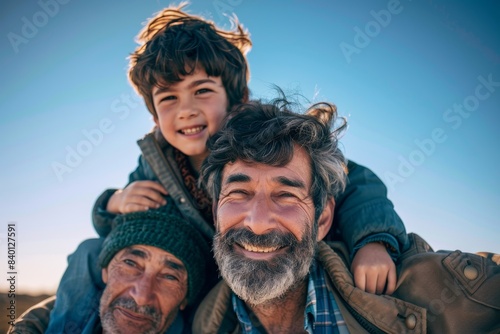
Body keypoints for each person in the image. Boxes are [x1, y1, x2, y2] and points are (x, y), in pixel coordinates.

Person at [47, 3, 408, 332]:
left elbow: (357, 183)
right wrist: (112, 201)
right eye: (169, 98)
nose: (186, 110)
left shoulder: (268, 141)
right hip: (200, 272)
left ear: (237, 99)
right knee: (90, 254)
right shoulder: (155, 163)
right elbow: (123, 230)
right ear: (154, 115)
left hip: (263, 265)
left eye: (201, 91)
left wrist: (373, 242)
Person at [194, 98, 500, 333]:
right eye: (239, 194)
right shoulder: (202, 324)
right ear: (215, 211)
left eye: (286, 195)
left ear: (323, 220)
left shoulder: (441, 292)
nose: (257, 222)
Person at [9, 203, 210, 334]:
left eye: (169, 276)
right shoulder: (36, 326)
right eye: (131, 264)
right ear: (104, 271)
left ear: (185, 297)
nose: (141, 296)